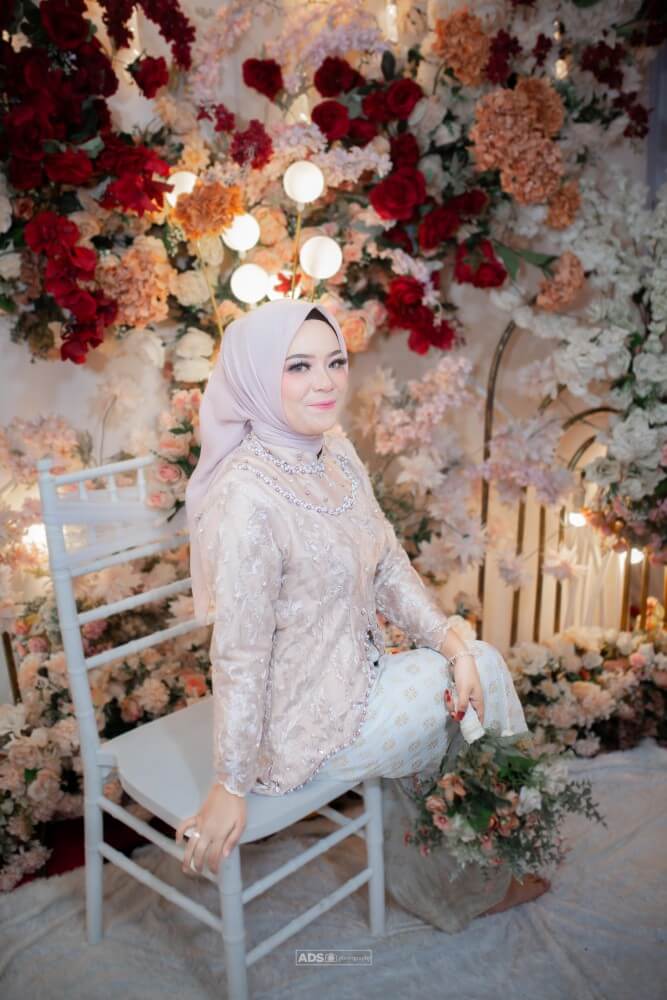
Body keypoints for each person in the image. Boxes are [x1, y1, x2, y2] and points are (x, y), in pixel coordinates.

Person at [177, 298, 550, 930]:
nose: (324, 382)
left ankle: (462, 872)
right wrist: (230, 783)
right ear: (256, 377)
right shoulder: (245, 498)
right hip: (293, 727)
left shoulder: (335, 451)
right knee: (480, 679)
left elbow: (388, 566)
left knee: (472, 667)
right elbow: (239, 655)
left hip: (361, 672)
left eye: (335, 362)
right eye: (298, 366)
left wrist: (450, 644)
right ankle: (476, 874)